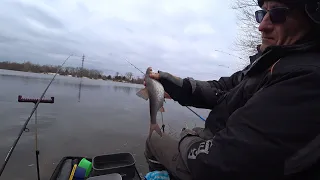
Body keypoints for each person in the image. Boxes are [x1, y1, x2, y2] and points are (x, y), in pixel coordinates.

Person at [144, 0, 320, 179]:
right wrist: (173, 85)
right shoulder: (270, 65)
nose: (262, 26)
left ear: (313, 17)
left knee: (153, 140)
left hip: (213, 164)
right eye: (262, 13)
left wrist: (187, 137)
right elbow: (222, 89)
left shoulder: (306, 78)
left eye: (277, 13)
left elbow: (219, 161)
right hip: (216, 146)